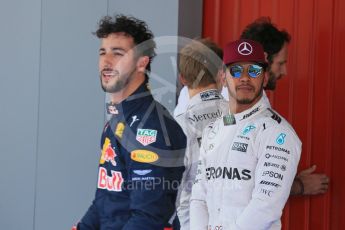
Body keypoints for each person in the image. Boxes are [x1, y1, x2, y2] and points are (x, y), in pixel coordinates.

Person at [174, 17, 329, 196]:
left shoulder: (195, 94)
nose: (284, 71)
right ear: (263, 60)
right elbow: (236, 179)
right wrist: (298, 187)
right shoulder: (237, 105)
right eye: (280, 63)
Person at [74, 15, 186, 230]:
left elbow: (148, 217)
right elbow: (104, 201)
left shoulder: (150, 128)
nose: (106, 61)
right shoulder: (116, 120)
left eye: (118, 54)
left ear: (141, 63)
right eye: (102, 52)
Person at [190, 39, 302, 229]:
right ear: (223, 78)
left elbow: (266, 206)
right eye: (236, 70)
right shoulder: (212, 130)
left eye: (254, 71)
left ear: (265, 78)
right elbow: (199, 197)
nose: (244, 77)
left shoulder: (277, 133)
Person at [174, 39, 229, 230]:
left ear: (182, 78)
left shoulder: (178, 124)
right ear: (220, 74)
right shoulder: (239, 115)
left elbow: (176, 188)